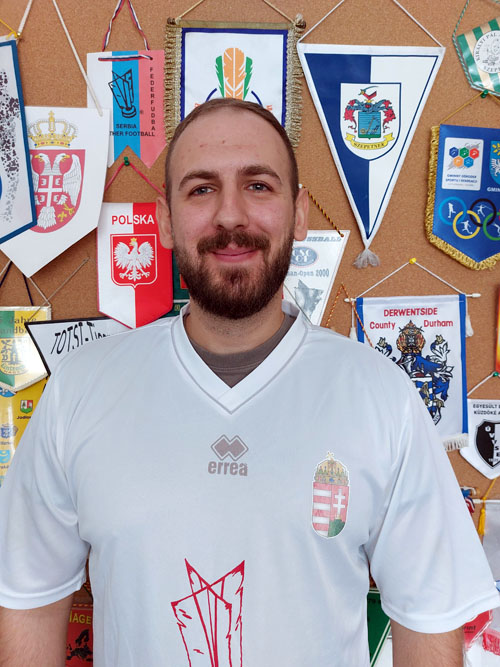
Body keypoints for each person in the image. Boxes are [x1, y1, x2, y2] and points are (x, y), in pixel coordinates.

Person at [0, 98, 498, 666]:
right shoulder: (80, 391)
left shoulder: (381, 397)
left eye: (258, 186)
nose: (230, 216)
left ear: (299, 213)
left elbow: (430, 618)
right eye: (201, 189)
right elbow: (27, 599)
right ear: (165, 221)